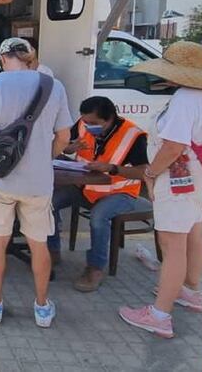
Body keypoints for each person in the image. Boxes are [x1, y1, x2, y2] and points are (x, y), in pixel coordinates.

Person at [117, 41, 202, 339]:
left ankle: (160, 314)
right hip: (197, 176)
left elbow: (173, 146)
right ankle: (191, 291)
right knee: (192, 233)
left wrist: (150, 172)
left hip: (177, 177)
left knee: (172, 246)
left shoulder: (187, 98)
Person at [0, 38, 72, 328]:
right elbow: (64, 137)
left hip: (1, 179)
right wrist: (43, 156)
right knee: (39, 244)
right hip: (39, 183)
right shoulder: (54, 87)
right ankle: (41, 308)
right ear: (30, 58)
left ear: (1, 59)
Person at [47, 96, 149, 292]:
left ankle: (95, 268)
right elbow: (65, 144)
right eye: (85, 121)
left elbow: (143, 172)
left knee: (99, 217)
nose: (88, 126)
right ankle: (52, 251)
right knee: (48, 203)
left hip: (120, 192)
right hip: (84, 187)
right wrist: (70, 147)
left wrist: (112, 168)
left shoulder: (133, 135)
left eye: (94, 123)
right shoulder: (84, 123)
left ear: (110, 118)